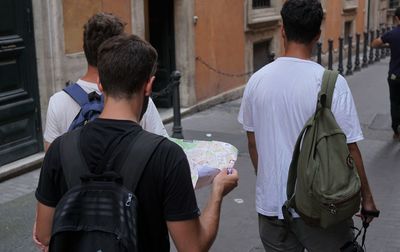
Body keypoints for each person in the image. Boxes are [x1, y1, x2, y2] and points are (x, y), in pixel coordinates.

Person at [34, 34, 239, 251]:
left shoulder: (60, 148)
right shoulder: (167, 156)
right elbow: (193, 247)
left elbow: (44, 234)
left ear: (100, 84)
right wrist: (217, 193)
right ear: (149, 85)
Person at [238, 0, 378, 251]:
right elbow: (350, 150)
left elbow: (253, 143)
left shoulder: (256, 81)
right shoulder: (331, 83)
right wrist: (366, 198)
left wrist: (272, 182)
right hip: (322, 207)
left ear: (283, 30)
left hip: (271, 208)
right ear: (318, 34)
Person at [43, 13, 167, 151]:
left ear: (84, 48)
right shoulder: (135, 95)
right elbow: (161, 148)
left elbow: (51, 159)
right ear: (119, 51)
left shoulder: (57, 102)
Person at [371, 7, 400, 140]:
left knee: (394, 102)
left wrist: (389, 45)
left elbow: (374, 44)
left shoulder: (392, 34)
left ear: (397, 18)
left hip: (395, 75)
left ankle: (396, 131)